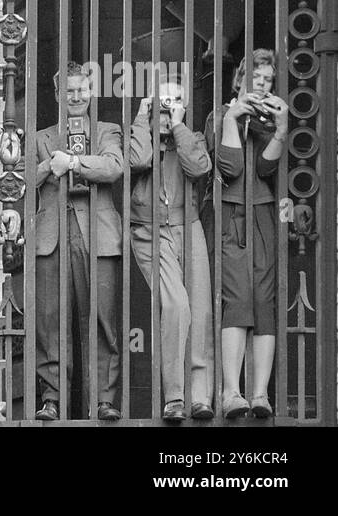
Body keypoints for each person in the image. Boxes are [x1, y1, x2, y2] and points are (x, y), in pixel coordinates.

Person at [24, 62, 124, 421]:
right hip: (51, 236)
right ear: (57, 95)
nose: (77, 96)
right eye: (69, 91)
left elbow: (114, 167)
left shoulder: (107, 130)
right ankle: (52, 399)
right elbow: (18, 183)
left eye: (82, 90)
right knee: (50, 323)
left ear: (91, 92)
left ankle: (104, 400)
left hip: (97, 235)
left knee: (101, 320)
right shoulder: (40, 138)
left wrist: (75, 162)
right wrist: (49, 166)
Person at [203, 49, 287, 419]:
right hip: (233, 215)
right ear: (239, 80)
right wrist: (234, 118)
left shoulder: (270, 122)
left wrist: (282, 129)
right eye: (257, 79)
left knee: (264, 302)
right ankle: (231, 392)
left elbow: (267, 168)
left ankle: (260, 394)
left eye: (269, 81)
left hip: (263, 213)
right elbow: (231, 167)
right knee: (237, 299)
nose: (263, 86)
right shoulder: (219, 116)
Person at [128, 77, 214, 421]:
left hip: (188, 226)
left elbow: (199, 167)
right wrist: (142, 119)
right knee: (176, 305)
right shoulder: (139, 135)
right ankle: (175, 397)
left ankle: (200, 396)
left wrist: (177, 125)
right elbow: (136, 161)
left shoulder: (189, 137)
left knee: (201, 310)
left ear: (184, 105)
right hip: (151, 231)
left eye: (174, 100)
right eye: (161, 100)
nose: (167, 106)